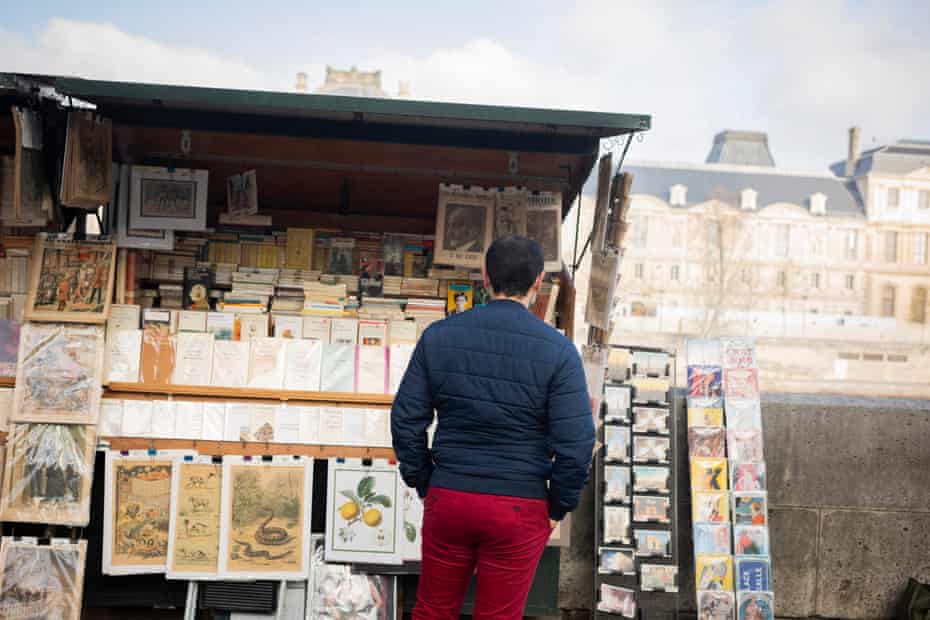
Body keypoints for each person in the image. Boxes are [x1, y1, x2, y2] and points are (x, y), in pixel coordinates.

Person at [391, 235, 595, 620]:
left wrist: (425, 482)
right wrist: (557, 506)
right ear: (538, 283)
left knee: (433, 610)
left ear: (485, 277)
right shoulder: (558, 351)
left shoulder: (439, 337)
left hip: (450, 494)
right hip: (519, 504)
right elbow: (577, 444)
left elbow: (405, 420)